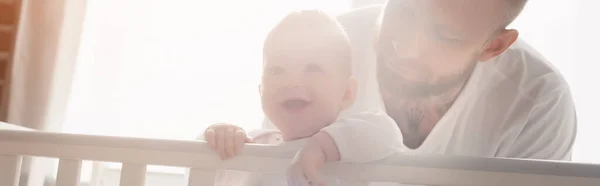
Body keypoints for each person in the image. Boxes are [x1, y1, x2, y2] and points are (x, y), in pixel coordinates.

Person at [263, 0, 576, 185]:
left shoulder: (538, 101)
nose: (407, 48)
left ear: (494, 47)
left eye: (446, 37)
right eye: (406, 12)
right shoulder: (326, 43)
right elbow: (268, 158)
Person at [195, 10, 401, 186]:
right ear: (261, 92)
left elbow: (388, 132)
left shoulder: (349, 142)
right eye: (277, 71)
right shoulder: (253, 144)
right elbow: (197, 169)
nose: (292, 82)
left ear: (346, 93)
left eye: (312, 68)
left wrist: (321, 146)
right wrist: (217, 138)